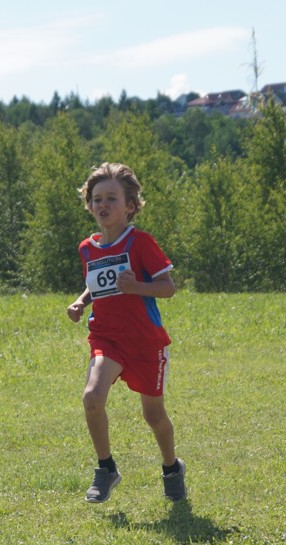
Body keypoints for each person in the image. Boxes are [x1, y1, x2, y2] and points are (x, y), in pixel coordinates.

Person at [65, 162, 186, 503]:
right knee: (92, 397)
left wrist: (137, 287)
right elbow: (97, 284)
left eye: (111, 198)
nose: (103, 204)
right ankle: (106, 468)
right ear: (89, 205)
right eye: (97, 199)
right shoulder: (87, 248)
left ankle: (171, 467)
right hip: (107, 338)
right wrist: (81, 302)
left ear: (130, 206)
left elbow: (167, 287)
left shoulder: (141, 243)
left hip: (145, 342)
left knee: (154, 415)